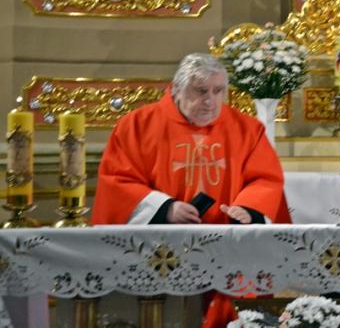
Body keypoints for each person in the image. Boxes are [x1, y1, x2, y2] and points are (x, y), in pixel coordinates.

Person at [92, 53, 290, 327]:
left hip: (227, 247)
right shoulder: (137, 125)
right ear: (176, 89)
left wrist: (249, 209)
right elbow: (117, 181)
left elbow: (265, 179)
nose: (210, 101)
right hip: (161, 249)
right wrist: (165, 208)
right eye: (200, 91)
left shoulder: (247, 129)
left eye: (218, 91)